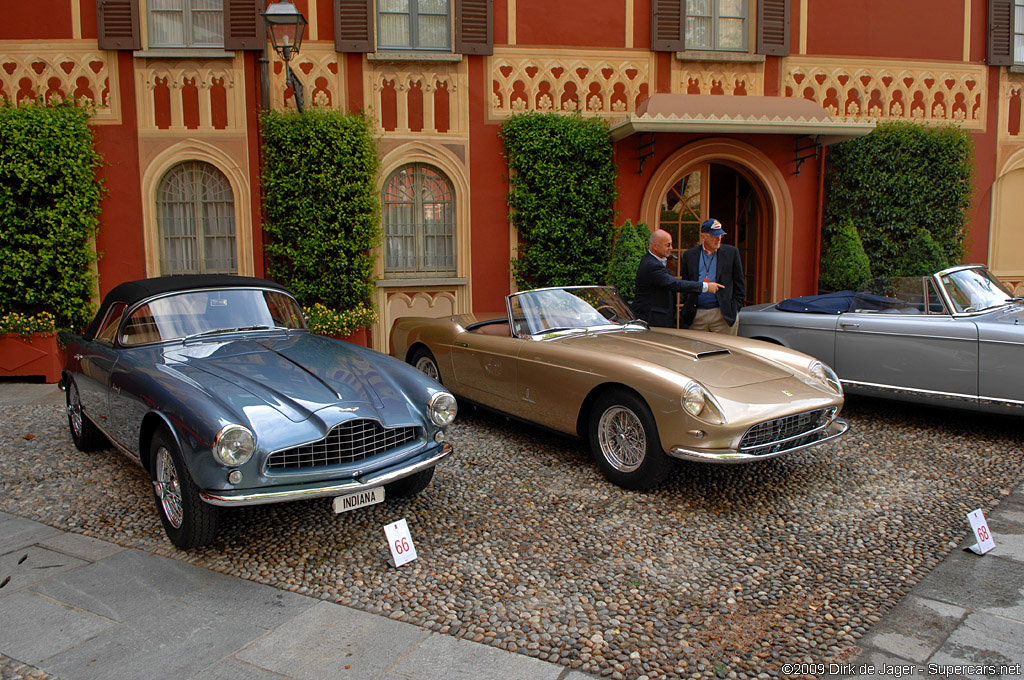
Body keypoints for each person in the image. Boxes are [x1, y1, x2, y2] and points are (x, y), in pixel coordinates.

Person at [633, 228, 722, 327]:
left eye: (671, 244)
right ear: (655, 246)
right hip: (653, 320)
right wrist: (705, 286)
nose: (671, 248)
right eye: (667, 245)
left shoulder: (655, 261)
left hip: (659, 318)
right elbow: (673, 283)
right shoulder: (651, 265)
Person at [679, 218, 745, 335]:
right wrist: (686, 306)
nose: (718, 239)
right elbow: (685, 284)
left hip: (722, 314)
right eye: (714, 236)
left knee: (724, 351)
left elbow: (739, 283)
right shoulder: (690, 255)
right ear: (704, 237)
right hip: (697, 314)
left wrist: (735, 308)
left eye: (720, 235)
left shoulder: (731, 253)